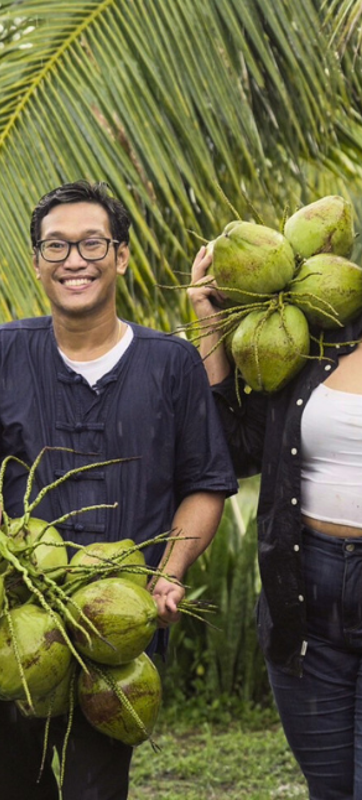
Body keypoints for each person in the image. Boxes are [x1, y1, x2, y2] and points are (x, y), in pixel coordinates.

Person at [0, 180, 238, 800]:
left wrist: (171, 572)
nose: (75, 260)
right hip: (17, 613)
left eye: (92, 244)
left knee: (97, 788)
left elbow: (206, 485)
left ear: (121, 256)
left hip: (117, 623)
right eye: (57, 247)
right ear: (37, 263)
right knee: (12, 786)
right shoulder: (0, 353)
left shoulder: (171, 364)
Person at [189, 244, 362, 799]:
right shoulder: (320, 330)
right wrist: (210, 327)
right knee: (331, 788)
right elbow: (239, 451)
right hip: (304, 591)